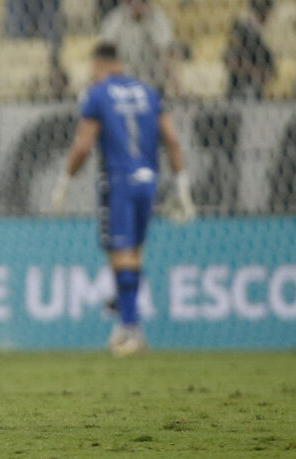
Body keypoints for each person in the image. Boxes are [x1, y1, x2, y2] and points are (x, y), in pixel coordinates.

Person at [51, 42, 195, 356]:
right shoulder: (148, 92)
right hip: (149, 182)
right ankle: (127, 326)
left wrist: (65, 180)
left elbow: (84, 145)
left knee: (121, 255)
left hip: (119, 182)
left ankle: (131, 330)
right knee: (134, 254)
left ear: (97, 65)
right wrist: (182, 185)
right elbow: (171, 138)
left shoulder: (98, 94)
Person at [99, 0, 175, 94]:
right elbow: (106, 51)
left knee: (167, 57)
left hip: (152, 79)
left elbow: (166, 51)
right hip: (123, 79)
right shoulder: (116, 18)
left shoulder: (157, 17)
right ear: (125, 1)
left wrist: (177, 86)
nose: (136, 4)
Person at [224, 0, 274, 101]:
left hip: (255, 82)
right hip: (239, 83)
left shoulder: (263, 37)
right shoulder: (242, 30)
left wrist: (262, 74)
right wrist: (253, 71)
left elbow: (269, 63)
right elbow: (231, 59)